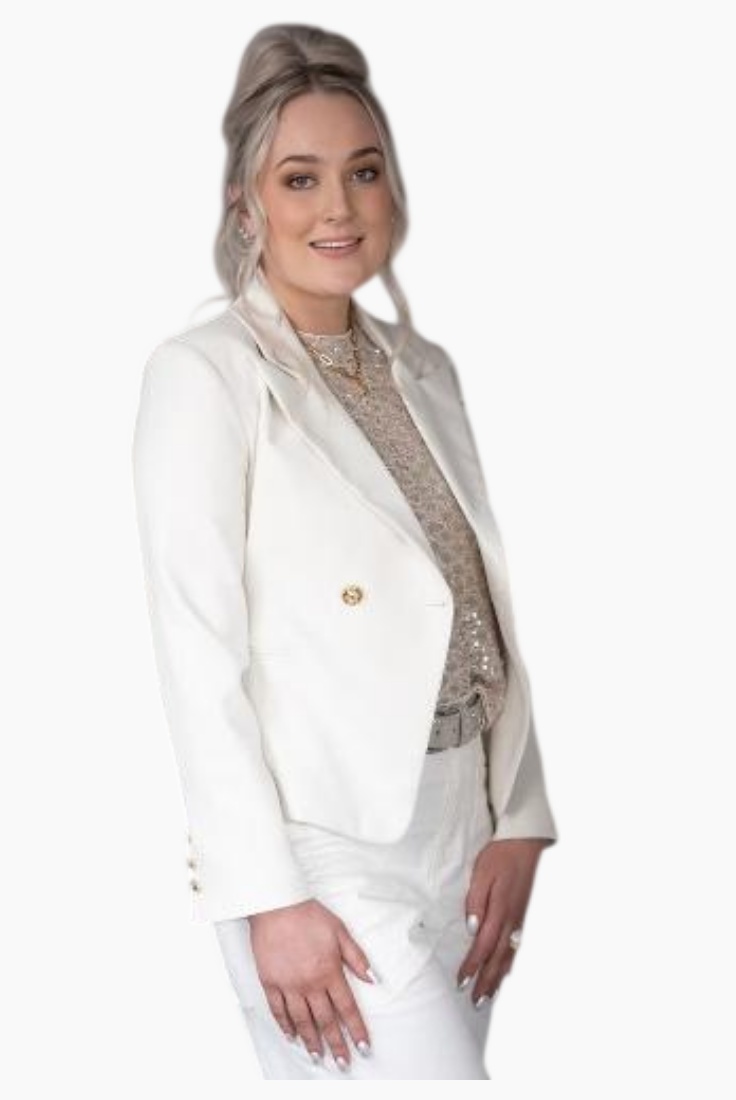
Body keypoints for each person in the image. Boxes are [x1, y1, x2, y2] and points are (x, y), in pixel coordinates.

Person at [131, 22, 559, 1081]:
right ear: (246, 203)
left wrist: (517, 815)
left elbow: (479, 603)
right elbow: (197, 651)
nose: (338, 207)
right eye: (300, 177)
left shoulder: (424, 370)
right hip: (320, 846)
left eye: (362, 172)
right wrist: (267, 895)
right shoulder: (208, 375)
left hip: (462, 830)